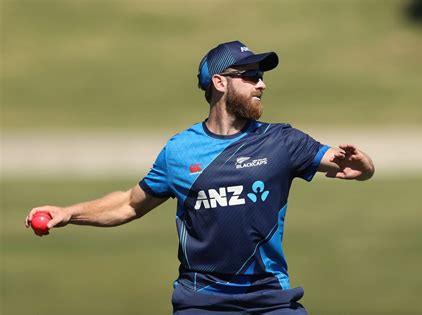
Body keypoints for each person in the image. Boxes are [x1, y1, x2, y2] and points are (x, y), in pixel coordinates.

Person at [25, 40, 375, 314]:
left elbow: (350, 166)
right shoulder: (180, 152)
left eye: (262, 76)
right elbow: (130, 205)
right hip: (202, 300)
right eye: (251, 76)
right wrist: (69, 213)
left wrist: (362, 166)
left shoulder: (282, 141)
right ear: (220, 82)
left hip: (270, 296)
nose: (262, 84)